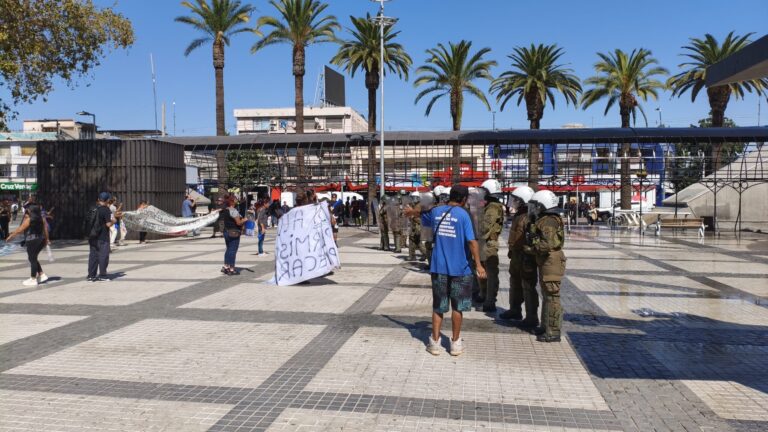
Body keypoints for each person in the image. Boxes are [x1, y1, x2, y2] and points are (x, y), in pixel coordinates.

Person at [425, 185, 486, 356]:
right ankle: (455, 343)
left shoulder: (437, 212)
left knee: (438, 307)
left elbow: (422, 216)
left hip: (439, 268)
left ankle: (435, 343)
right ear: (464, 199)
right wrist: (479, 265)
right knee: (457, 308)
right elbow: (472, 242)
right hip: (460, 269)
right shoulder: (463, 215)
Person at [524, 190, 567, 343]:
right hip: (546, 260)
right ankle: (546, 325)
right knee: (547, 294)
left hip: (550, 260)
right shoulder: (546, 219)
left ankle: (553, 331)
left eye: (537, 206)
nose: (535, 209)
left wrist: (531, 248)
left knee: (552, 296)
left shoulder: (549, 221)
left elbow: (547, 244)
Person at [500, 186, 538, 326]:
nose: (514, 203)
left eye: (516, 200)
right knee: (514, 283)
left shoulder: (529, 217)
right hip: (516, 255)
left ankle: (531, 317)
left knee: (528, 286)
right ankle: (515, 309)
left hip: (526, 256)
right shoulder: (519, 215)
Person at [478, 180, 505, 313]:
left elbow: (485, 227)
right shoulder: (488, 205)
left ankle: (490, 301)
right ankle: (483, 295)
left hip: (489, 244)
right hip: (484, 243)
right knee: (482, 271)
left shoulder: (493, 207)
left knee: (491, 274)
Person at [6, 204, 49, 286]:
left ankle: (33, 279)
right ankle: (41, 274)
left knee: (32, 259)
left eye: (28, 210)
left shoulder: (30, 219)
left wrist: (11, 236)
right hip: (41, 239)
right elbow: (45, 229)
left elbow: (20, 229)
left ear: (31, 211)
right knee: (33, 257)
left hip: (32, 240)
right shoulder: (41, 219)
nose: (27, 211)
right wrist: (47, 239)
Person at [87, 192, 116, 282]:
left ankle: (91, 275)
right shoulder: (106, 210)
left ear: (99, 199)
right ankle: (102, 275)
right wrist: (114, 221)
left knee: (93, 256)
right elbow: (108, 224)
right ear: (107, 200)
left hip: (92, 236)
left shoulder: (93, 208)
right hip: (102, 237)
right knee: (103, 256)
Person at [220, 194, 245, 275]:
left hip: (226, 231)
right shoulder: (233, 210)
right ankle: (232, 268)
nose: (236, 201)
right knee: (232, 250)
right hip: (233, 232)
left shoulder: (225, 210)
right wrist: (245, 219)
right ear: (232, 201)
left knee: (228, 249)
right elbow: (238, 222)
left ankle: (226, 266)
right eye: (235, 199)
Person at [406, 192, 426, 261]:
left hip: (418, 226)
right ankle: (415, 255)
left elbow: (420, 217)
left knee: (415, 241)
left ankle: (422, 254)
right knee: (415, 240)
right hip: (415, 226)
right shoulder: (415, 205)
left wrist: (412, 216)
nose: (412, 199)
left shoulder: (419, 206)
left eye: (413, 197)